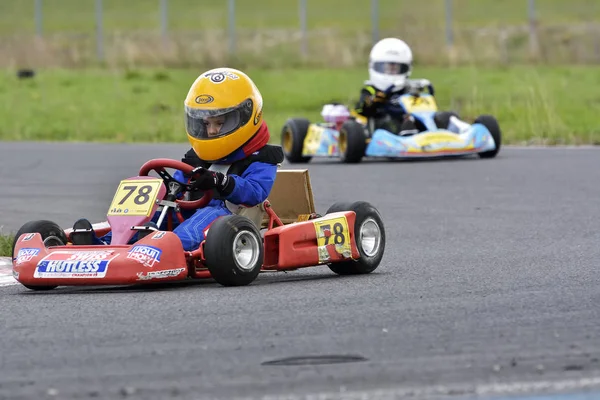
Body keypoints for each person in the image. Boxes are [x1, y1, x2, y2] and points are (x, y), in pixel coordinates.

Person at [70, 67, 284, 251]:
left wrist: (221, 181)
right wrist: (167, 188)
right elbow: (180, 181)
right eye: (207, 124)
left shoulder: (261, 157)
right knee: (155, 216)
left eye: (219, 123)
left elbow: (256, 192)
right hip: (188, 210)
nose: (211, 131)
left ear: (246, 116)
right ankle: (108, 245)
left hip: (227, 215)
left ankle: (159, 249)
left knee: (195, 226)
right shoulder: (198, 156)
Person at [354, 37, 433, 136]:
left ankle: (436, 132)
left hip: (407, 125)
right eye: (387, 68)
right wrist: (375, 101)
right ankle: (407, 134)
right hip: (381, 132)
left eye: (395, 69)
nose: (391, 72)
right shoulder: (370, 90)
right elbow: (360, 110)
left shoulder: (407, 90)